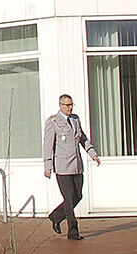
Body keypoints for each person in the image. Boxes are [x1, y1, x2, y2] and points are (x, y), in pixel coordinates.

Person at [42, 94, 100, 240]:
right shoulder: (53, 122)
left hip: (76, 165)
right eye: (67, 105)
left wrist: (92, 153)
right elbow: (48, 145)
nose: (70, 108)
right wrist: (48, 165)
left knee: (77, 196)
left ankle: (56, 216)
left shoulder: (75, 119)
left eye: (71, 105)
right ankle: (73, 231)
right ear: (60, 105)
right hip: (62, 167)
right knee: (68, 198)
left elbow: (83, 138)